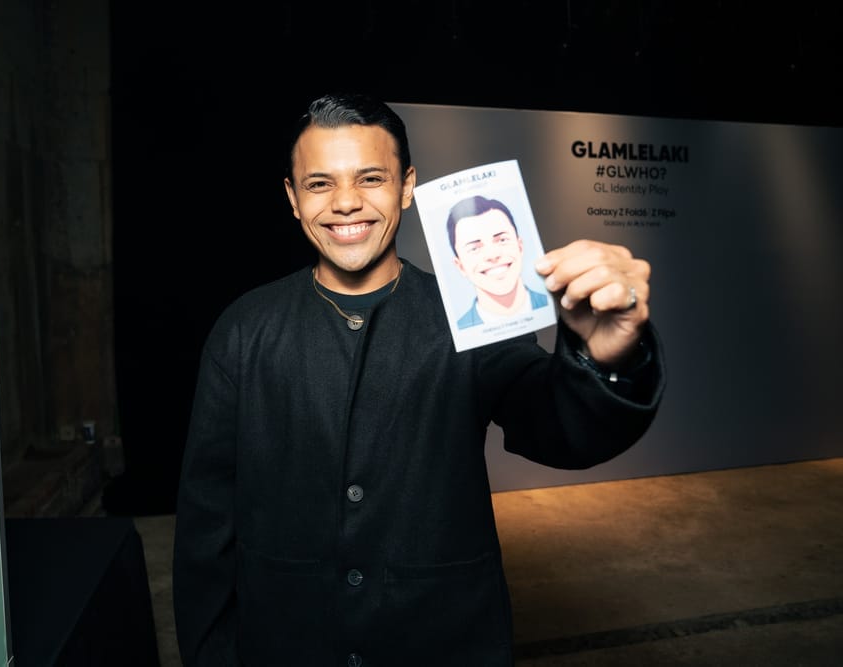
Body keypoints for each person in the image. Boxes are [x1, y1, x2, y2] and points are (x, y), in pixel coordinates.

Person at [172, 92, 665, 666]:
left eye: (371, 178)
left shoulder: (470, 315)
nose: (346, 203)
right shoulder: (244, 328)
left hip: (440, 638)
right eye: (320, 183)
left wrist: (606, 356)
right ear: (292, 198)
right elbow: (207, 520)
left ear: (407, 186)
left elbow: (558, 425)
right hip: (287, 640)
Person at [447, 194, 548, 329]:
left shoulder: (558, 308)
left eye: (502, 240)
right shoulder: (458, 332)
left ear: (520, 247)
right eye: (474, 248)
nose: (492, 255)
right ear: (460, 267)